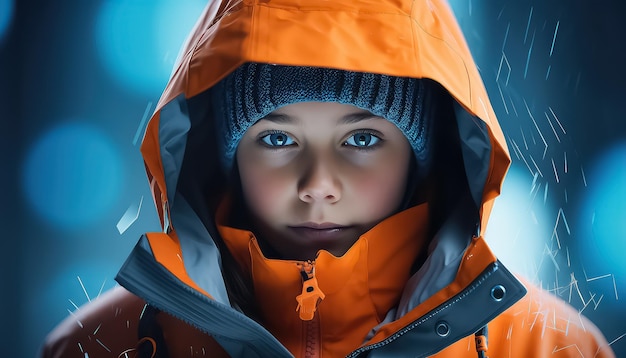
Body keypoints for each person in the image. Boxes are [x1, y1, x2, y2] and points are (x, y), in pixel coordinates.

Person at [41, 0, 615, 357]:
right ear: (225, 155)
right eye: (278, 139)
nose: (318, 183)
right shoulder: (98, 348)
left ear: (421, 156)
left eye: (361, 140)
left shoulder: (550, 349)